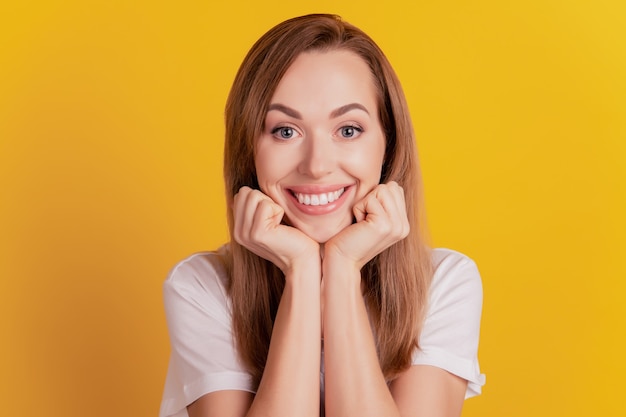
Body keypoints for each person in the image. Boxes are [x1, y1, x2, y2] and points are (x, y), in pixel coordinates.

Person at [159, 13, 485, 417]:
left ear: (389, 144)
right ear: (249, 151)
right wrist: (301, 270)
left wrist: (343, 268)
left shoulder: (445, 284)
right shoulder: (202, 288)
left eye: (348, 130)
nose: (316, 165)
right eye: (285, 131)